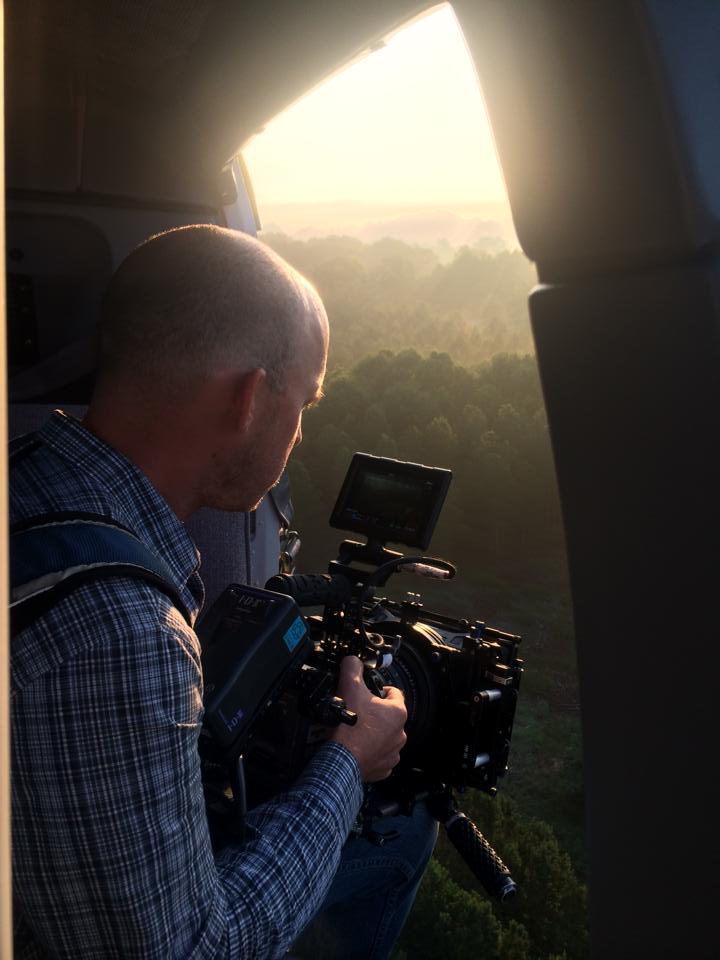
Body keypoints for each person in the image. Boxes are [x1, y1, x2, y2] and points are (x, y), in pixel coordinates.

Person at [10, 225, 436, 959]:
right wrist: (347, 763)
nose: (299, 435)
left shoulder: (28, 475)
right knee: (406, 831)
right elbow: (193, 951)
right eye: (303, 402)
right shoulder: (121, 634)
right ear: (247, 401)